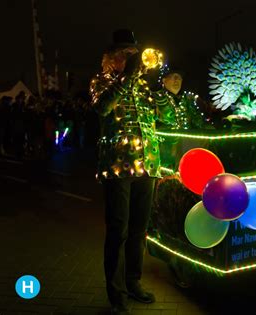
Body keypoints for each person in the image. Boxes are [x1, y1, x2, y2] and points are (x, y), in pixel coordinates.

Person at [89, 29, 160, 314]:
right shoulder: (101, 81)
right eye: (126, 54)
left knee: (139, 230)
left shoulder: (142, 85)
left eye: (134, 54)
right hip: (118, 166)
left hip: (148, 165)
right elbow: (102, 108)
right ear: (113, 57)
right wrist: (125, 78)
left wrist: (160, 88)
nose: (132, 58)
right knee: (118, 230)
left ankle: (134, 283)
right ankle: (116, 294)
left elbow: (162, 116)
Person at [154, 65, 206, 129]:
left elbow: (199, 123)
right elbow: (166, 118)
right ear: (164, 80)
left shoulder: (188, 99)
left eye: (179, 77)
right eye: (173, 76)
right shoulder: (156, 98)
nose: (176, 80)